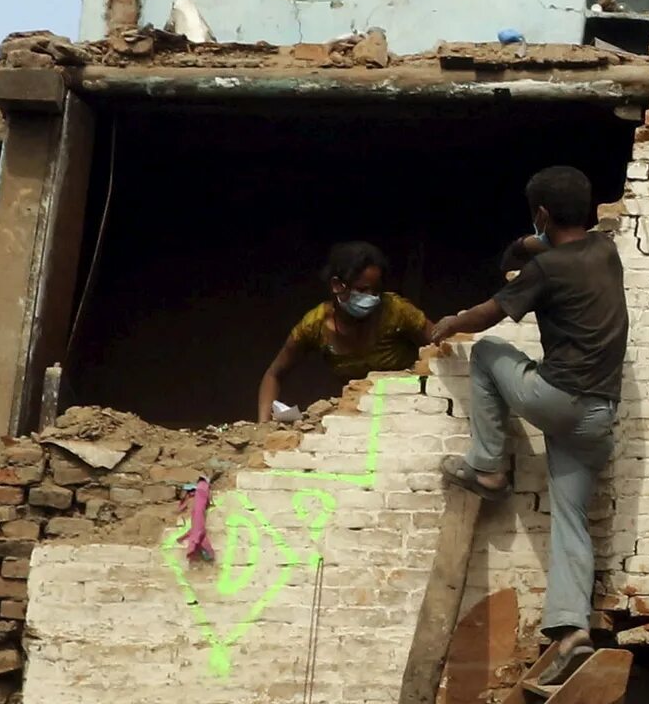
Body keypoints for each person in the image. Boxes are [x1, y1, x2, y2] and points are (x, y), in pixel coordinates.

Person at [421, 166, 626, 669]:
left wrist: (446, 323)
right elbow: (551, 250)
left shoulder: (546, 272)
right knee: (571, 521)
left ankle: (488, 465)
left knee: (489, 352)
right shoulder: (606, 251)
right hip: (598, 415)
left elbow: (488, 315)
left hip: (559, 398)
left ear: (540, 214)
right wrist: (526, 245)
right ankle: (572, 633)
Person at [256, 241, 431, 425]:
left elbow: (443, 345)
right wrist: (263, 426)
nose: (371, 298)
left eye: (376, 290)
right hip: (358, 421)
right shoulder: (315, 325)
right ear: (337, 285)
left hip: (410, 414)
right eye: (363, 290)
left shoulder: (396, 311)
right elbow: (273, 375)